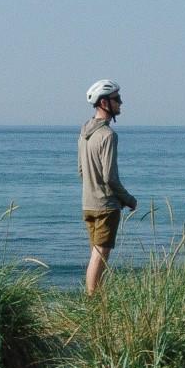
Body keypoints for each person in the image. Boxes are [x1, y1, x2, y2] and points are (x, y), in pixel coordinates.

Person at [79, 78, 137, 294]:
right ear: (104, 103)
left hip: (88, 203)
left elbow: (81, 171)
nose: (120, 103)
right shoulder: (108, 135)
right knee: (99, 255)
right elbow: (110, 177)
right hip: (105, 205)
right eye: (117, 99)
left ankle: (94, 299)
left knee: (95, 253)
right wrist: (129, 199)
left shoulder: (84, 134)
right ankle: (93, 303)